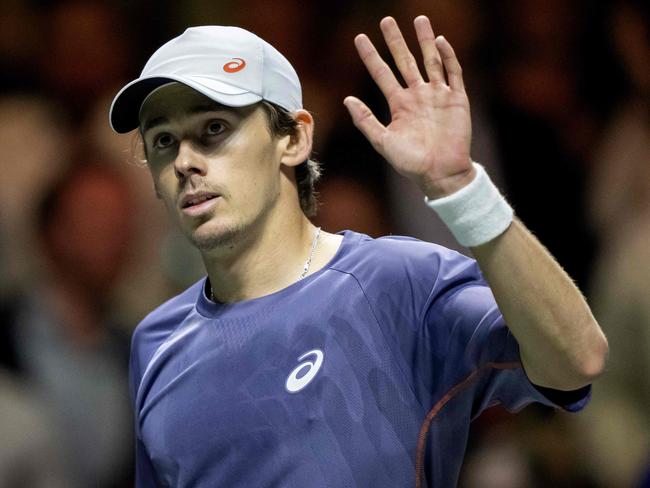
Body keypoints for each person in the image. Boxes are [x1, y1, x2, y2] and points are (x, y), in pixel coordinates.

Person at [109, 16, 608, 487]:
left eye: (214, 128)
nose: (185, 161)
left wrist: (463, 189)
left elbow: (576, 361)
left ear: (295, 139)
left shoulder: (400, 281)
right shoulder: (155, 343)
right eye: (163, 141)